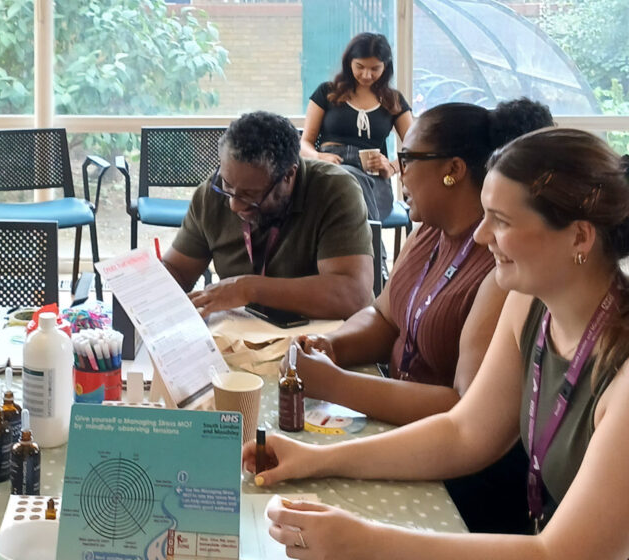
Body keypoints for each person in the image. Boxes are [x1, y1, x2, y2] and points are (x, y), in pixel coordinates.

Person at [243, 129, 629, 560]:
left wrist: (369, 543)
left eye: (503, 221)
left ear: (579, 237)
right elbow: (465, 433)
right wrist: (320, 460)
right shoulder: (532, 301)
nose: (482, 238)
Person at [290, 98, 554, 426]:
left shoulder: (500, 264)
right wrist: (331, 345)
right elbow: (384, 317)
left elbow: (467, 407)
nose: (398, 171)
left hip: (442, 458)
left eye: (407, 158)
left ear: (453, 170)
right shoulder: (429, 230)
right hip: (393, 421)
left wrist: (335, 385)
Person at [163, 110, 373, 320]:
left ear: (289, 175)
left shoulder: (333, 189)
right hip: (240, 339)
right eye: (227, 186)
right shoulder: (211, 194)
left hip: (320, 343)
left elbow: (353, 297)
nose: (234, 205)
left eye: (250, 195)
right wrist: (145, 285)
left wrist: (248, 289)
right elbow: (177, 271)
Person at [300, 32, 413, 224]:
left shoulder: (393, 100)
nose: (367, 75)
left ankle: (366, 245)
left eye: (375, 69)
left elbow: (414, 149)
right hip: (330, 170)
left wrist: (391, 168)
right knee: (344, 177)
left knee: (348, 183)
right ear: (349, 63)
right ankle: (374, 248)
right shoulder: (327, 92)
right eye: (360, 67)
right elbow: (304, 143)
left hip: (374, 181)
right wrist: (319, 157)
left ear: (385, 67)